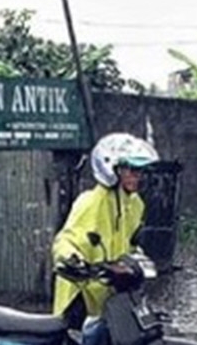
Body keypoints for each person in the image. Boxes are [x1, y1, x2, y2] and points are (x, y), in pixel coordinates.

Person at [51, 132, 159, 330]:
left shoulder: (135, 205)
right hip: (81, 291)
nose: (138, 176)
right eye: (131, 170)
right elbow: (65, 240)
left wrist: (137, 261)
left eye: (140, 170)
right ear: (113, 170)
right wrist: (72, 260)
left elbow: (131, 243)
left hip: (113, 291)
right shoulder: (90, 202)